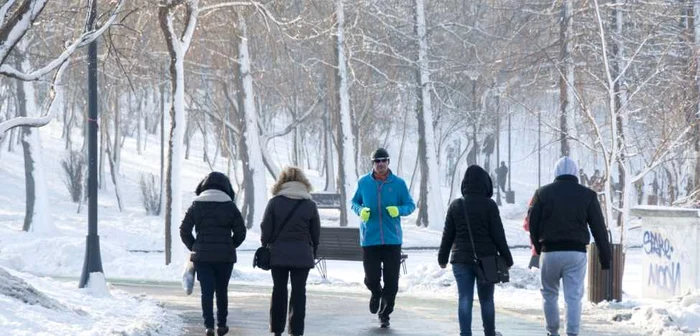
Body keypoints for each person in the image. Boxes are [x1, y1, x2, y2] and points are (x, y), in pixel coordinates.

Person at [528, 157, 611, 336]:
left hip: (549, 252)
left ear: (556, 172)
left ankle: (552, 331)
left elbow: (533, 223)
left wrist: (538, 248)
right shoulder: (587, 195)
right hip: (576, 253)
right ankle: (572, 333)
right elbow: (598, 228)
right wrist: (605, 257)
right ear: (575, 173)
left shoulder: (542, 193)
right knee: (573, 296)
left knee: (549, 293)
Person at [438, 165, 513, 336]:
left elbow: (447, 235)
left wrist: (442, 258)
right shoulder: (490, 205)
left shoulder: (456, 205)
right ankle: (490, 333)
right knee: (486, 300)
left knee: (464, 299)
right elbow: (498, 235)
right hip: (486, 261)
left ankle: (465, 333)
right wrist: (507, 259)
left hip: (460, 260)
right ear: (485, 184)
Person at [351, 148, 415, 328]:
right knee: (371, 278)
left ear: (388, 162)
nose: (380, 164)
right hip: (370, 239)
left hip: (392, 239)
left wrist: (399, 210)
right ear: (372, 164)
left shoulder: (399, 183)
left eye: (383, 160)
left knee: (392, 281)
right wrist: (360, 210)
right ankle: (376, 292)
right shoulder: (363, 182)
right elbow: (354, 202)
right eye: (377, 161)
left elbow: (410, 205)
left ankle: (385, 313)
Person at [180, 172, 247, 336]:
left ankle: (209, 326)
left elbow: (184, 230)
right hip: (225, 257)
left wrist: (195, 246)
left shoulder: (197, 205)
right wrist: (230, 245)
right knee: (222, 291)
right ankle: (222, 326)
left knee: (206, 291)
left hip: (202, 257)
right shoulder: (230, 206)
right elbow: (241, 232)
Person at [260, 166, 321, 336]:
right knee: (299, 292)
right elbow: (315, 232)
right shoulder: (309, 205)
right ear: (304, 183)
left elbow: (266, 228)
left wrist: (266, 244)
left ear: (282, 183)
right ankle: (296, 331)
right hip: (302, 255)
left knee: (279, 290)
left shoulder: (274, 202)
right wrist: (312, 250)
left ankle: (277, 330)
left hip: (278, 254)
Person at [523, 197, 539, 269]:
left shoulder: (532, 211)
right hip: (550, 251)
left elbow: (526, 226)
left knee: (533, 273)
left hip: (537, 250)